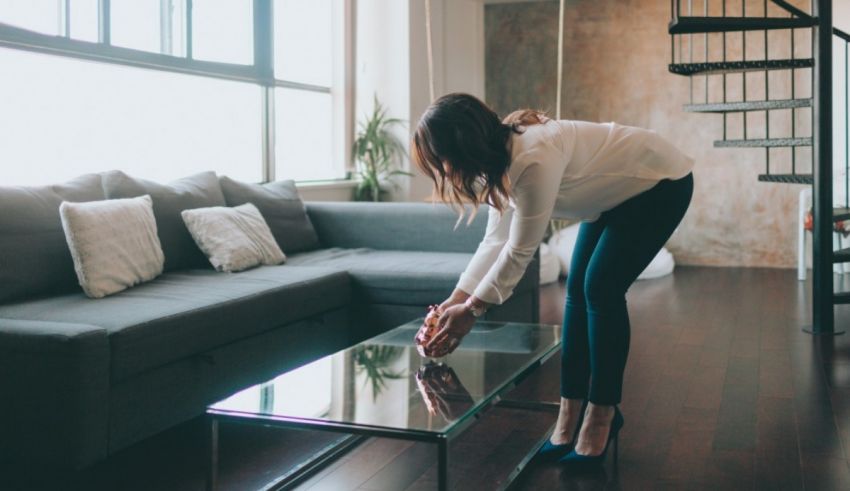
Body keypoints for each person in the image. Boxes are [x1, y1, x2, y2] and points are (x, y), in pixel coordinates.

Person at [412, 93, 694, 467]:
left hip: (660, 183)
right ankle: (569, 411)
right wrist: (454, 301)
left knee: (601, 289)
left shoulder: (532, 157)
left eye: (441, 160)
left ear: (463, 144)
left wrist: (473, 310)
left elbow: (519, 251)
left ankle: (602, 414)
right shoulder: (499, 161)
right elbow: (494, 240)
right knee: (578, 292)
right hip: (612, 197)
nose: (444, 173)